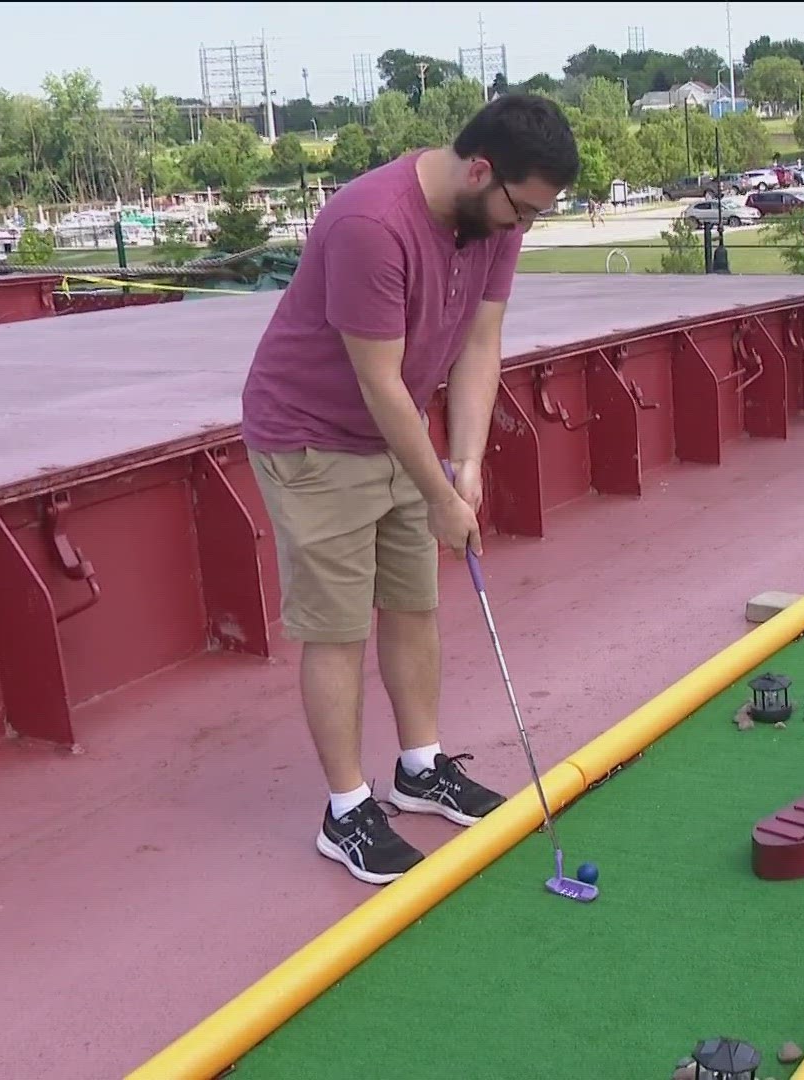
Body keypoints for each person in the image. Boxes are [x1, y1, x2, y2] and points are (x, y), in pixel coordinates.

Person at [239, 95, 580, 885]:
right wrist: (438, 494)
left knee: (414, 600)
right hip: (312, 434)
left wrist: (466, 463)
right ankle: (346, 808)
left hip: (399, 432)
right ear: (480, 169)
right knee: (336, 624)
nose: (520, 229)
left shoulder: (492, 219)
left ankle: (419, 767)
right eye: (520, 210)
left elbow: (481, 342)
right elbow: (380, 384)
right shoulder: (372, 224)